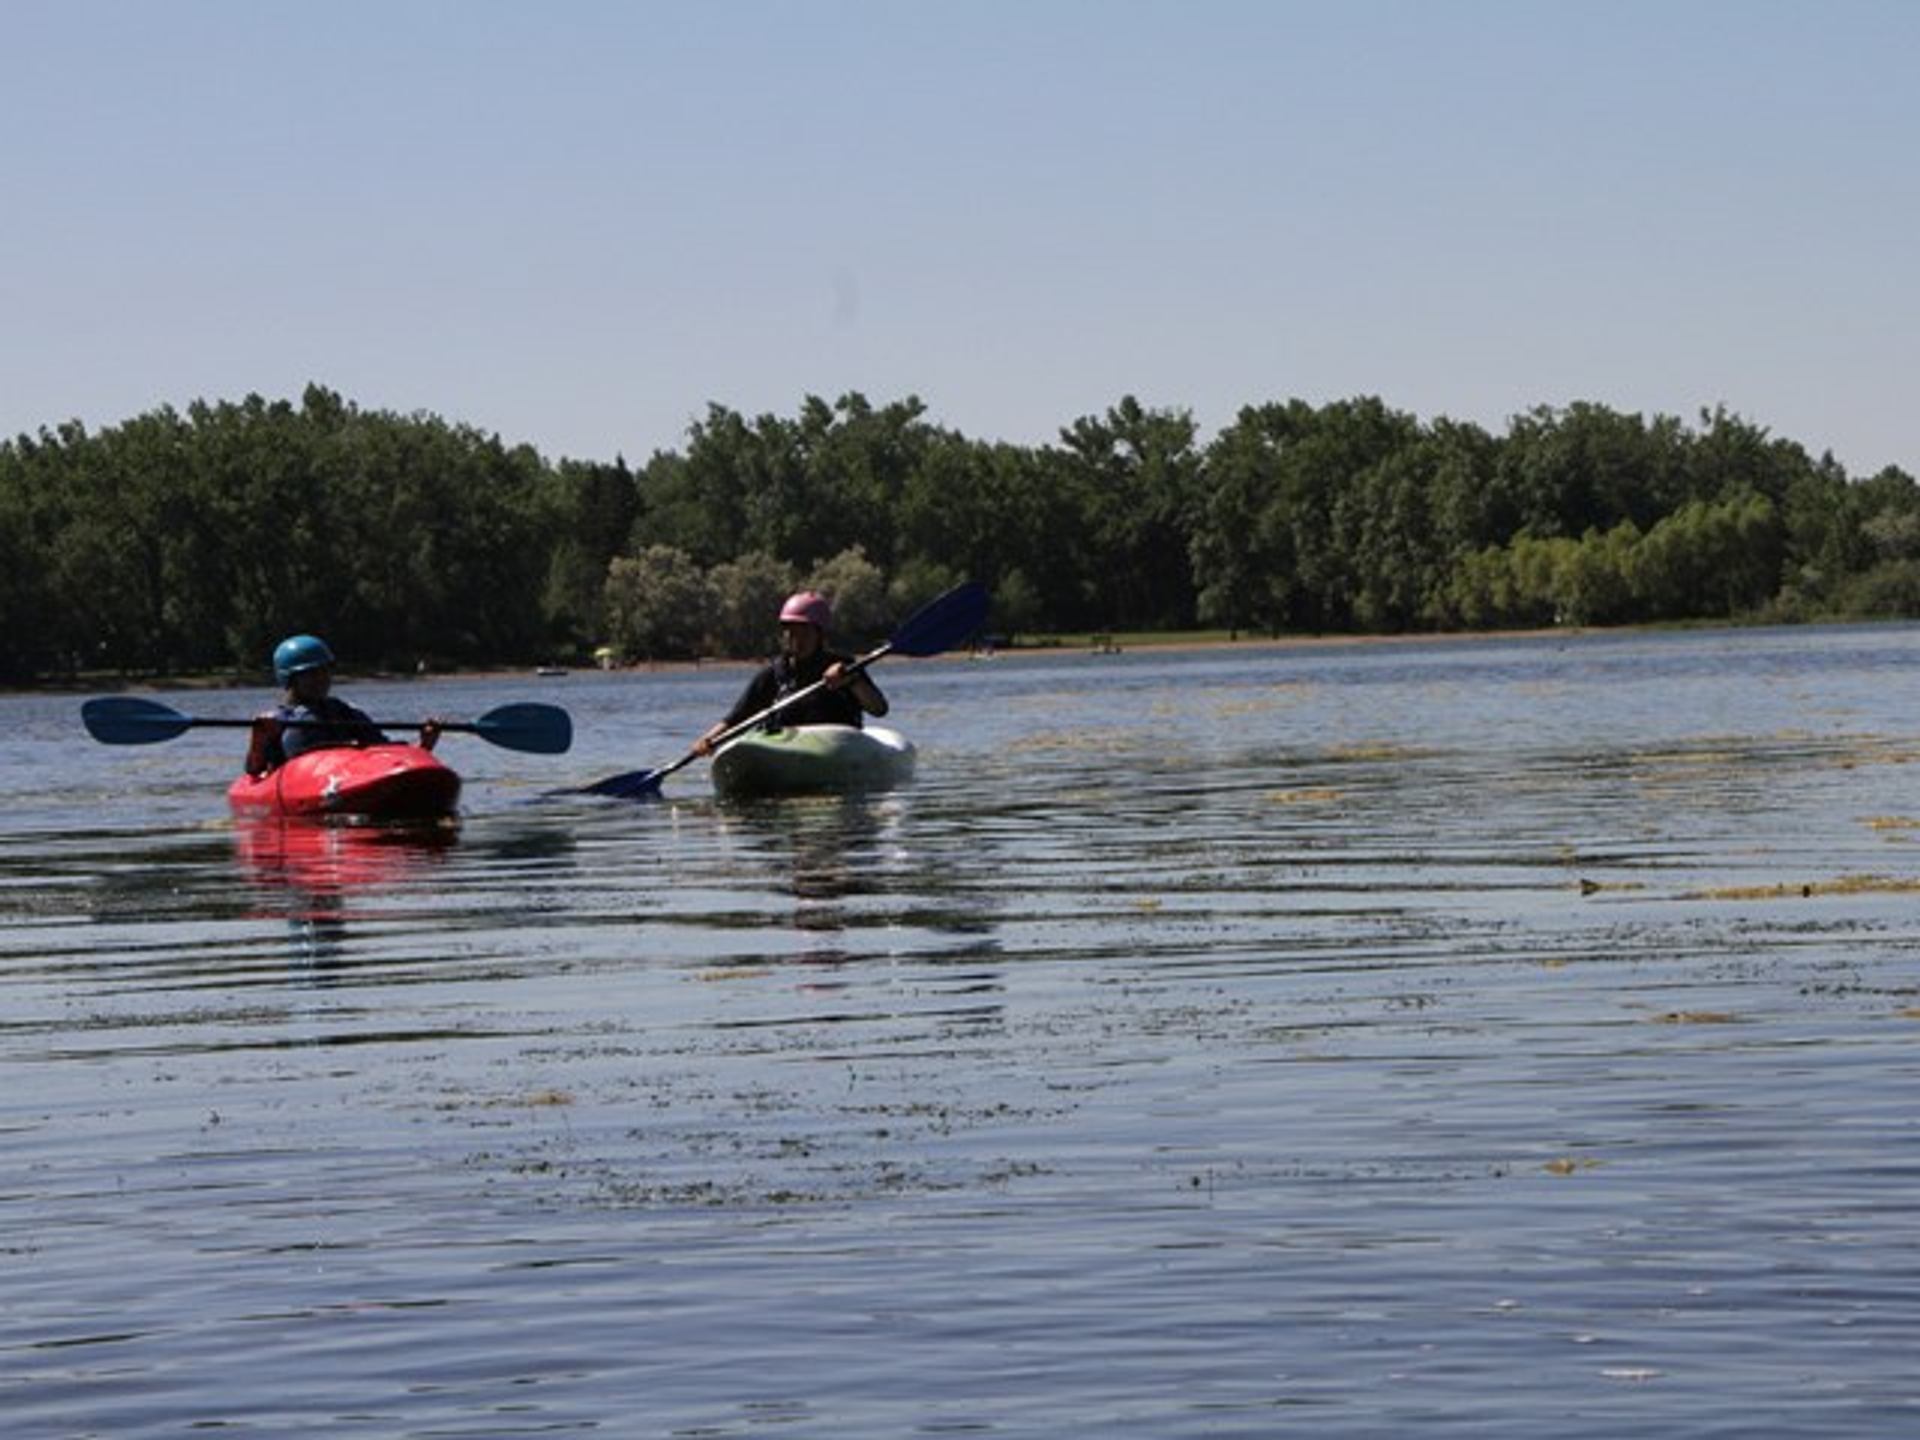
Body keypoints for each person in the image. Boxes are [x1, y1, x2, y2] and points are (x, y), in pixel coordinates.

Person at [692, 591, 887, 756]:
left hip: (837, 748)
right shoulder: (773, 675)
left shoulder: (844, 667)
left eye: (804, 633)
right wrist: (709, 740)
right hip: (787, 749)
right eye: (791, 633)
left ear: (819, 635)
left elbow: (879, 709)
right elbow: (736, 718)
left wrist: (852, 680)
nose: (797, 641)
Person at [245, 634, 440, 777]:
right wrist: (258, 741)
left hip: (343, 777)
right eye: (311, 674)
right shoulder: (275, 721)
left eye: (325, 671)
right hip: (302, 779)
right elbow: (254, 770)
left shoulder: (346, 713)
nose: (321, 679)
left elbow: (385, 751)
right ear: (290, 679)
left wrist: (424, 744)